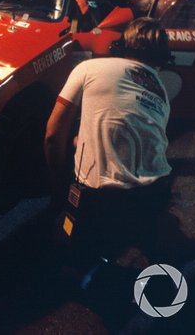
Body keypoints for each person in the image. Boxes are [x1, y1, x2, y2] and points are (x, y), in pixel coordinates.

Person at [44, 17, 172, 264]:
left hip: (101, 197)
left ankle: (84, 270)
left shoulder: (89, 68)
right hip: (156, 190)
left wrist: (57, 183)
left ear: (121, 45)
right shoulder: (161, 90)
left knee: (65, 234)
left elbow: (52, 135)